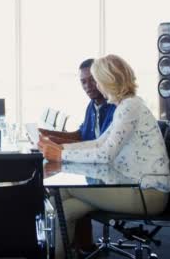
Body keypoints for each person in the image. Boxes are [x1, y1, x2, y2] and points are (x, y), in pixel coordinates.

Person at [38, 55, 170, 259]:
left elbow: (105, 154)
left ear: (107, 80)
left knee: (61, 191)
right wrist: (59, 147)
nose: (95, 86)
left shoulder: (130, 107)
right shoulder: (126, 106)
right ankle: (62, 252)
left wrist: (61, 154)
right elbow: (99, 142)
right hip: (132, 186)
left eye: (96, 80)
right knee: (65, 210)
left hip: (147, 194)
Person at [39, 58, 116, 255]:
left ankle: (79, 246)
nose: (88, 86)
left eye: (92, 80)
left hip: (111, 172)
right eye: (83, 82)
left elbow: (101, 148)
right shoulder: (92, 106)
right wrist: (48, 135)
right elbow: (81, 135)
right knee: (63, 198)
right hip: (94, 166)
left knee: (64, 191)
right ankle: (78, 246)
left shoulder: (116, 108)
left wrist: (57, 147)